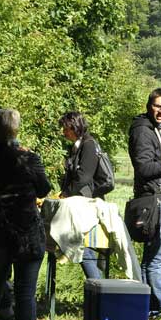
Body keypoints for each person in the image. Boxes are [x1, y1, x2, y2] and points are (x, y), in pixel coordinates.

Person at [0, 109, 52, 320]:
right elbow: (44, 188)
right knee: (25, 294)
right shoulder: (28, 158)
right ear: (16, 129)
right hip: (27, 233)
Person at [128, 88, 161, 318]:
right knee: (157, 258)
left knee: (152, 258)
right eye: (158, 106)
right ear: (149, 105)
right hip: (153, 199)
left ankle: (148, 309)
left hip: (159, 198)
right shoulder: (143, 131)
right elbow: (145, 168)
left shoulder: (156, 130)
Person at [58, 111, 104, 279]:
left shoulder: (89, 145)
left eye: (65, 128)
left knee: (86, 252)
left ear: (74, 127)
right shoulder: (78, 146)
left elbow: (84, 176)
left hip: (87, 206)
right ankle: (97, 291)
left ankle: (98, 290)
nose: (63, 132)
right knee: (86, 251)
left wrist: (66, 193)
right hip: (80, 205)